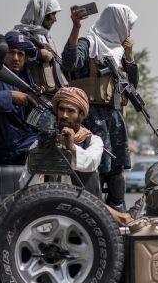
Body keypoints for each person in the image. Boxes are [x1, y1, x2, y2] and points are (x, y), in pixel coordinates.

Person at [61, 3, 139, 212]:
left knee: (116, 176)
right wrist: (76, 27)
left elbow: (132, 87)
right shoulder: (89, 43)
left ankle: (119, 217)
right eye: (127, 25)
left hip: (114, 118)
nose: (129, 31)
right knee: (94, 172)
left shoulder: (120, 52)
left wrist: (130, 58)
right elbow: (68, 63)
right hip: (92, 118)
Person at [20, 86, 133, 227]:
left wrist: (72, 148)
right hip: (50, 216)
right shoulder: (41, 142)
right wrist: (42, 153)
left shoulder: (93, 141)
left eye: (71, 111)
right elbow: (25, 183)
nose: (64, 115)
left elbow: (90, 162)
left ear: (81, 115)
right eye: (61, 109)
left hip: (85, 217)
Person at [0, 31, 39, 165]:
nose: (15, 58)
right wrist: (9, 97)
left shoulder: (27, 79)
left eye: (21, 54)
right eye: (11, 52)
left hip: (25, 143)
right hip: (5, 148)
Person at [14, 0, 66, 94]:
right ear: (41, 12)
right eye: (52, 14)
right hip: (32, 96)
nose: (55, 19)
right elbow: (13, 63)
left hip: (51, 96)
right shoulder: (21, 37)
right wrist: (38, 56)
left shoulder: (47, 37)